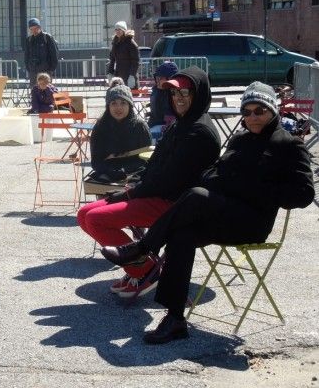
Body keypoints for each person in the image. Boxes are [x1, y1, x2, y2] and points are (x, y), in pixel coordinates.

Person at [101, 81, 314, 344]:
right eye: (246, 112)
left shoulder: (288, 145)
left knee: (196, 195)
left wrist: (251, 186)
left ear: (273, 111)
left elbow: (304, 194)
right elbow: (212, 173)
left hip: (252, 221)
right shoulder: (239, 139)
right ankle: (175, 318)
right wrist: (218, 180)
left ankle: (143, 248)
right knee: (182, 233)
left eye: (259, 111)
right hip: (223, 212)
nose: (252, 117)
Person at [77, 66, 220, 298]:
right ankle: (139, 265)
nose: (178, 99)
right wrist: (133, 189)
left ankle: (145, 268)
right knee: (84, 214)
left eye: (185, 93)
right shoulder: (180, 124)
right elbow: (155, 166)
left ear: (199, 94)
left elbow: (168, 180)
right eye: (174, 94)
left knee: (95, 219)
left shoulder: (199, 132)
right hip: (157, 195)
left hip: (175, 205)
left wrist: (129, 194)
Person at [88, 83, 152, 182]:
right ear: (108, 106)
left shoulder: (140, 126)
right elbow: (96, 161)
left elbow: (147, 158)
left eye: (123, 103)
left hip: (135, 175)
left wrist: (124, 170)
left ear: (129, 105)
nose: (118, 108)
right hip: (107, 175)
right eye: (114, 103)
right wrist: (111, 171)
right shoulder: (100, 127)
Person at [148, 61, 178, 139]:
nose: (157, 80)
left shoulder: (175, 93)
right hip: (155, 124)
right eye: (156, 77)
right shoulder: (156, 90)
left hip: (168, 127)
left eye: (160, 78)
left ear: (170, 79)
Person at [24, 18, 58, 86]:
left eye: (35, 28)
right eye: (31, 29)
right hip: (33, 72)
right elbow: (26, 55)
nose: (34, 31)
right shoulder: (29, 40)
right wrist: (29, 68)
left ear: (39, 27)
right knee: (35, 92)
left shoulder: (47, 37)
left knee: (47, 92)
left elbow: (54, 54)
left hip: (45, 72)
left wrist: (51, 69)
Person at [107, 21, 140, 89]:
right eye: (116, 29)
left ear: (124, 30)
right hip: (118, 75)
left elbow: (135, 61)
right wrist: (110, 72)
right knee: (117, 95)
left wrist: (132, 75)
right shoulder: (115, 43)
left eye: (119, 29)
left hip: (129, 75)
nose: (117, 31)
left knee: (128, 96)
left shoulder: (130, 43)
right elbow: (112, 59)